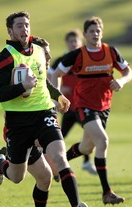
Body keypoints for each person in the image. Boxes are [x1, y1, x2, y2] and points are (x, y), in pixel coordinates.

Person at [0, 11, 89, 207]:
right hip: (18, 124)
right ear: (10, 31)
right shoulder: (3, 58)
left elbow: (43, 81)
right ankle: (1, 165)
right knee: (19, 176)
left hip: (44, 114)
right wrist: (22, 87)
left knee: (59, 158)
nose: (24, 29)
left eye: (26, 25)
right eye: (19, 26)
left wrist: (58, 95)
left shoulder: (38, 51)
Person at [50, 16, 132, 205]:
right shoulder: (78, 55)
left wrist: (120, 81)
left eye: (98, 31)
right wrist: (57, 97)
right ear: (85, 34)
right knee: (103, 141)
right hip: (84, 105)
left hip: (104, 106)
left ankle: (58, 164)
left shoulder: (111, 52)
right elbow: (56, 74)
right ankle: (107, 192)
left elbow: (128, 72)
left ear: (101, 33)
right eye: (91, 31)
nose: (95, 34)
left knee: (87, 147)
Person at [48, 29, 97, 176]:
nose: (73, 43)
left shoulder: (85, 59)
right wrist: (60, 89)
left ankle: (86, 162)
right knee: (60, 136)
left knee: (91, 134)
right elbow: (50, 76)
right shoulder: (62, 60)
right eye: (70, 41)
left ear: (80, 42)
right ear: (66, 43)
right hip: (68, 106)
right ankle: (55, 163)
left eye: (75, 40)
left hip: (83, 105)